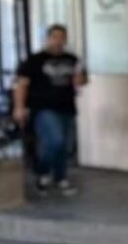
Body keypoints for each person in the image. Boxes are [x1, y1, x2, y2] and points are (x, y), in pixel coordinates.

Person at [13, 24, 85, 196]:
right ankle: (42, 171)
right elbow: (21, 84)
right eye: (55, 37)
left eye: (62, 37)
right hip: (43, 108)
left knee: (64, 146)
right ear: (48, 39)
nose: (58, 41)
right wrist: (19, 107)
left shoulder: (72, 59)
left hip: (67, 107)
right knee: (55, 140)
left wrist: (79, 78)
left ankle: (61, 178)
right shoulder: (34, 60)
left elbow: (80, 82)